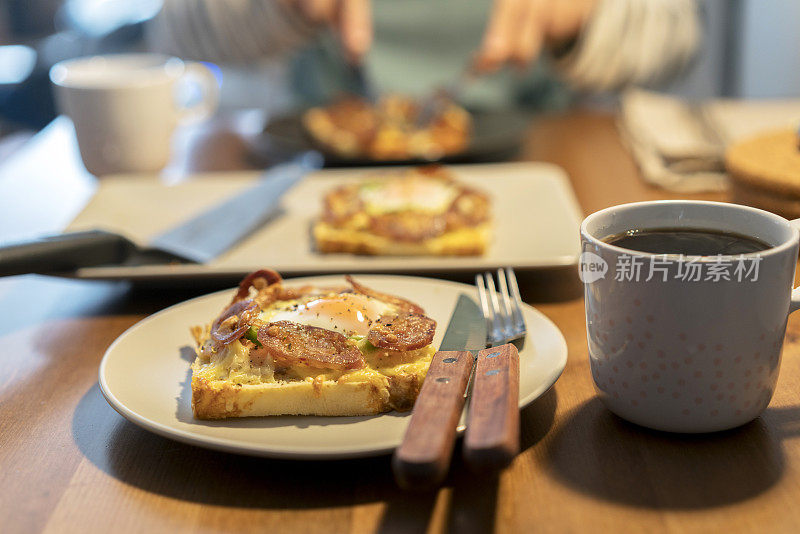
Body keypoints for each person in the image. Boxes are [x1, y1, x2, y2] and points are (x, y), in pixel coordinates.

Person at [146, 0, 700, 110]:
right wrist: (279, 8)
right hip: (314, 172)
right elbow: (173, 33)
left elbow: (679, 37)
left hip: (538, 157)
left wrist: (583, 15)